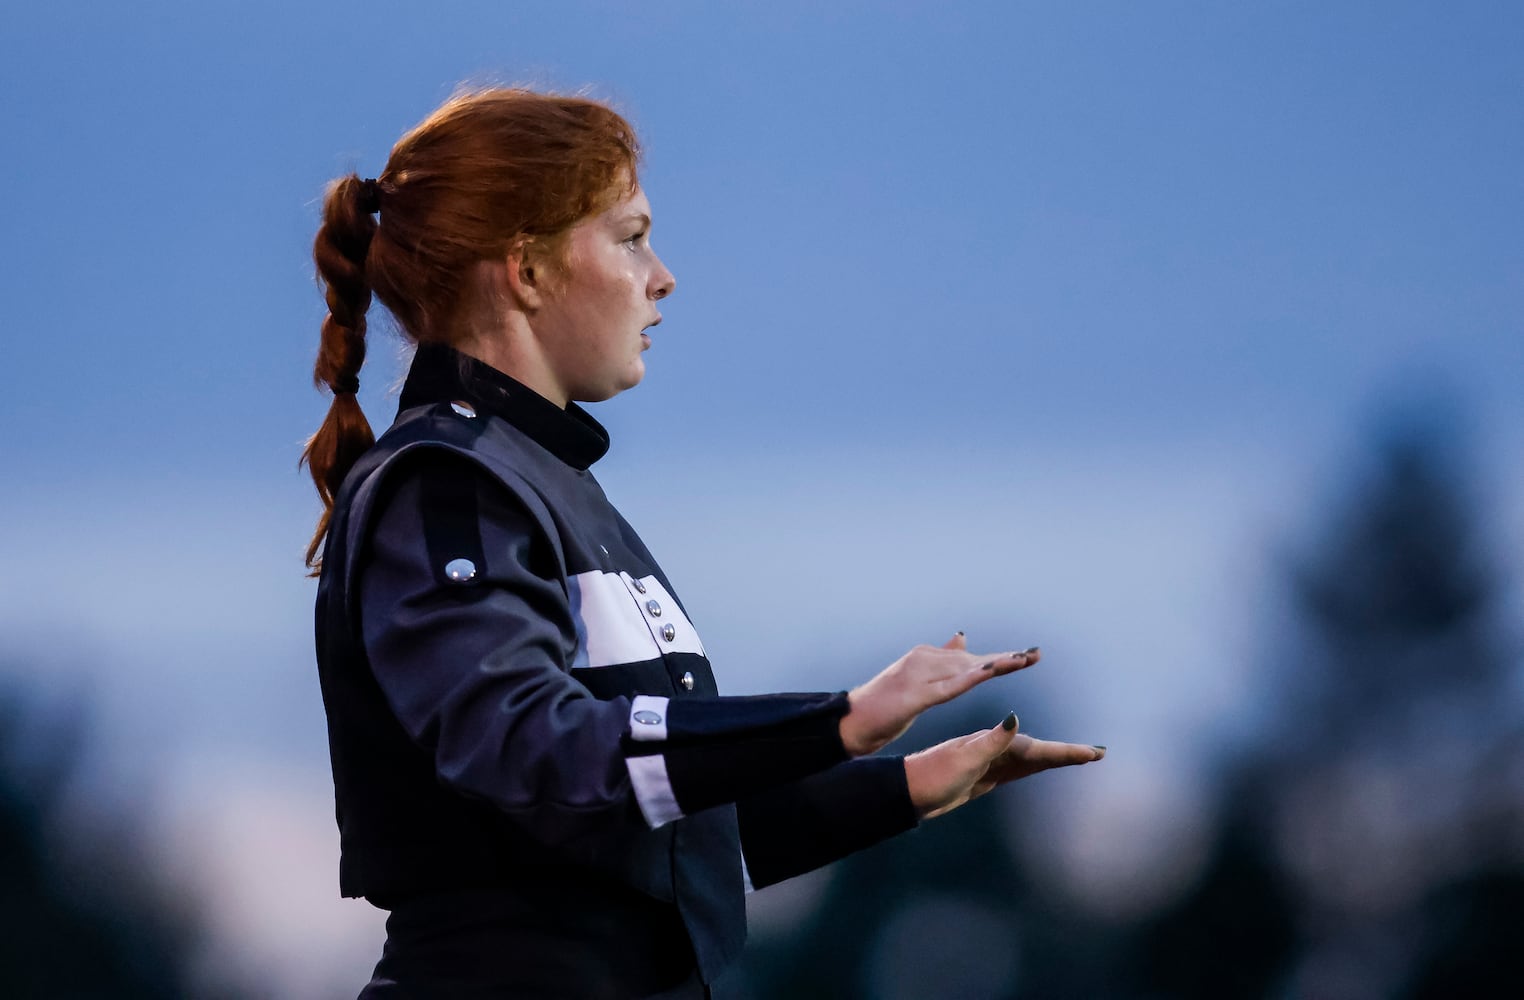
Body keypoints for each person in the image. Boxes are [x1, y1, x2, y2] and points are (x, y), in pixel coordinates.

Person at [303, 87, 1104, 1000]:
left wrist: (910, 784)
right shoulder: (447, 483)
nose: (662, 276)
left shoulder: (548, 487)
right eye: (631, 235)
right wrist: (836, 719)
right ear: (525, 269)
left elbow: (664, 830)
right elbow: (536, 753)